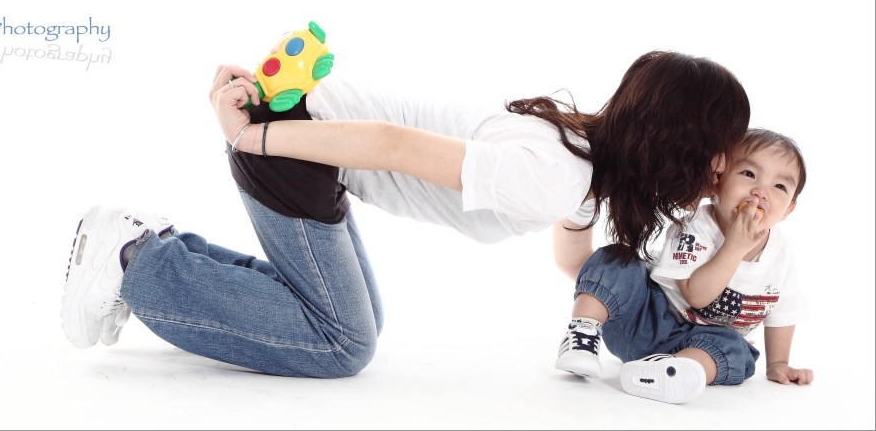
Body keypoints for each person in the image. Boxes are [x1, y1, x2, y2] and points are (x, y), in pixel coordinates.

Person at [61, 50, 750, 378]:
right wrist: (250, 137)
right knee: (342, 342)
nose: (722, 170)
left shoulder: (582, 174)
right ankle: (134, 262)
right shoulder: (553, 176)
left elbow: (575, 264)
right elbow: (391, 145)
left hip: (312, 147)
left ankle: (155, 251)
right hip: (303, 146)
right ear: (680, 144)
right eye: (720, 154)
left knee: (353, 319)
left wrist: (696, 284)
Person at [553, 128, 813, 404]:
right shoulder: (695, 226)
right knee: (618, 259)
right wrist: (734, 248)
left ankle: (672, 371)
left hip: (698, 342)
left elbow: (783, 312)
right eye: (748, 174)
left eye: (780, 187)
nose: (761, 192)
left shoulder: (780, 254)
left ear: (788, 210)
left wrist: (778, 364)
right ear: (717, 182)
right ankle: (583, 332)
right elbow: (696, 296)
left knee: (738, 351)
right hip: (643, 317)